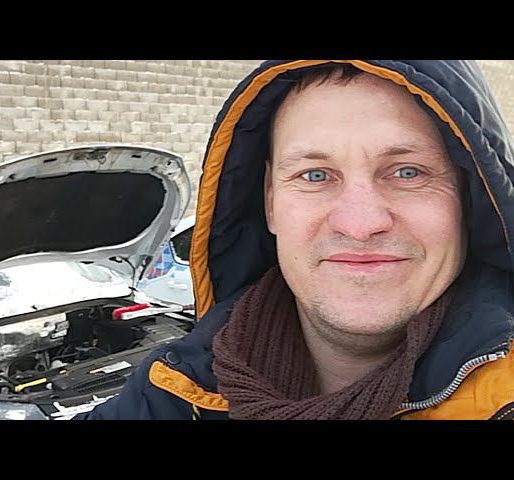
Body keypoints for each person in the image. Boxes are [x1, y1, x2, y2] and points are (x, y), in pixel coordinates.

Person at [84, 60, 514, 420]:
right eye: (315, 175)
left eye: (408, 172)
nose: (360, 224)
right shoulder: (172, 391)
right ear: (270, 202)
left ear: (471, 199)